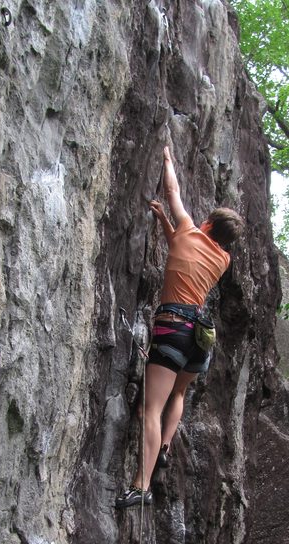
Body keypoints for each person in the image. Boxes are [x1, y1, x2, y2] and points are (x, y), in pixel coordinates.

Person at [115, 146, 244, 509]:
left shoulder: (190, 230)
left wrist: (169, 160)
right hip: (201, 337)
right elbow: (182, 250)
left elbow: (173, 193)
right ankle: (167, 446)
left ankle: (141, 487)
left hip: (173, 327)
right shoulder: (221, 258)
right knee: (178, 395)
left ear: (206, 224)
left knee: (147, 411)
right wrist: (164, 223)